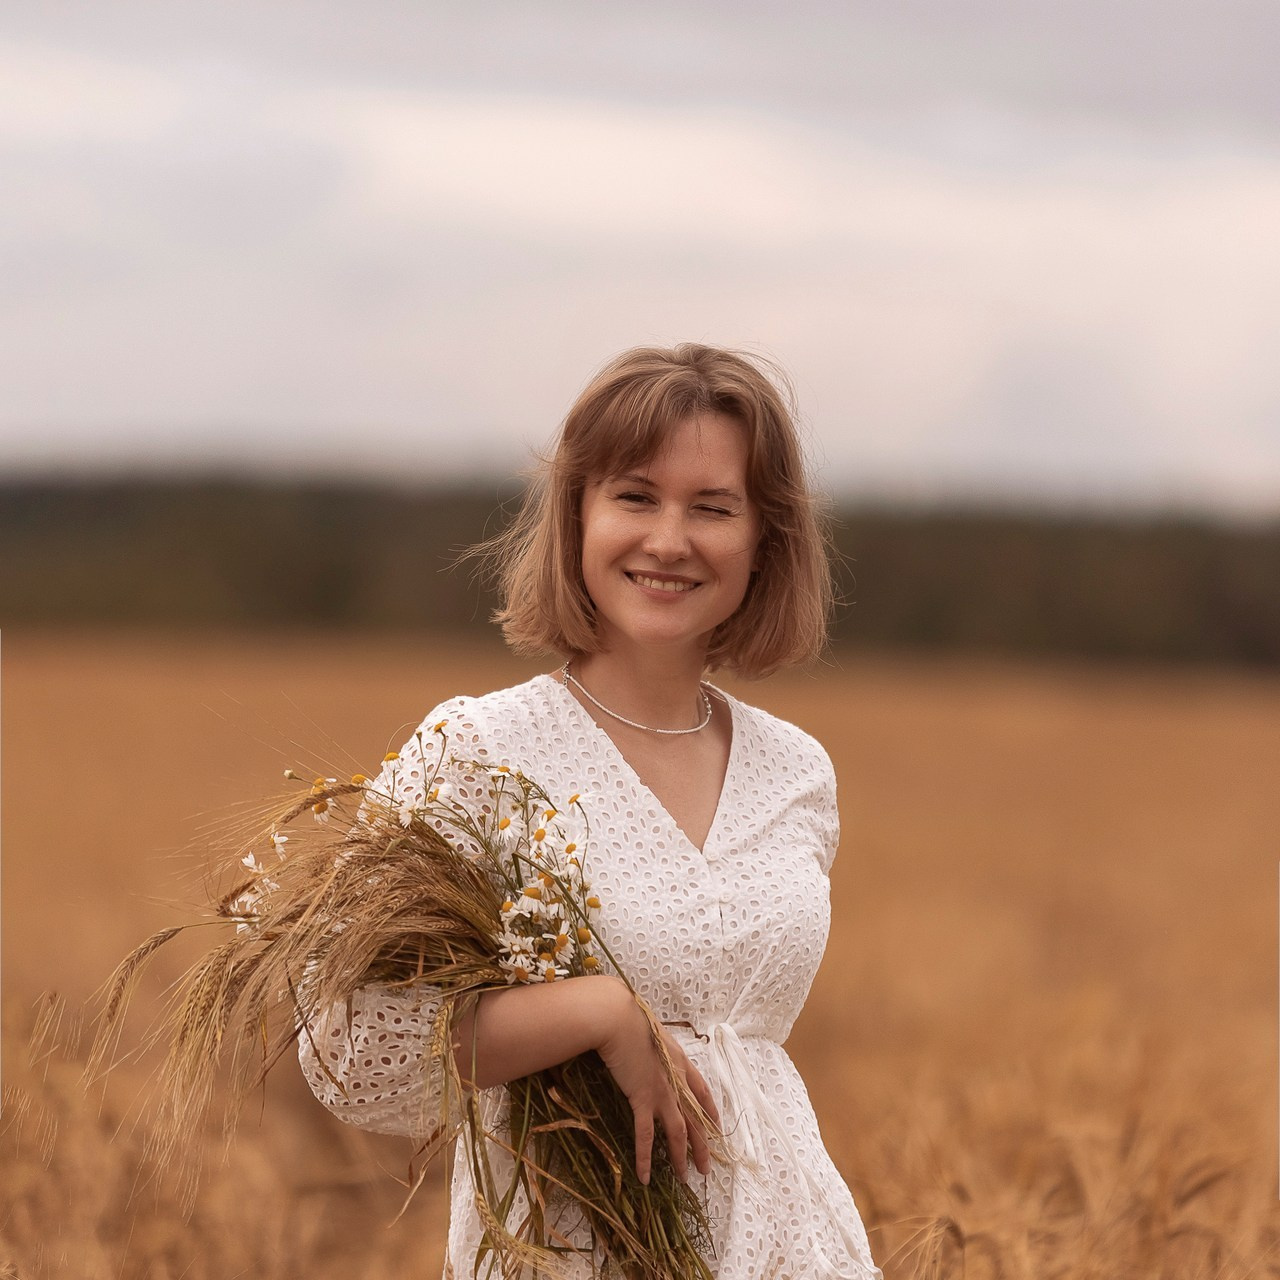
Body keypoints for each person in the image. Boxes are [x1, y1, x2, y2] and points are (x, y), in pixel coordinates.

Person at [299, 343, 882, 1279]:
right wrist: (598, 1011)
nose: (669, 539)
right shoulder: (478, 753)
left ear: (765, 538)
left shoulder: (797, 773)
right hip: (569, 1252)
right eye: (635, 497)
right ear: (577, 518)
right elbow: (354, 1054)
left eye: (713, 507)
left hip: (792, 1249)